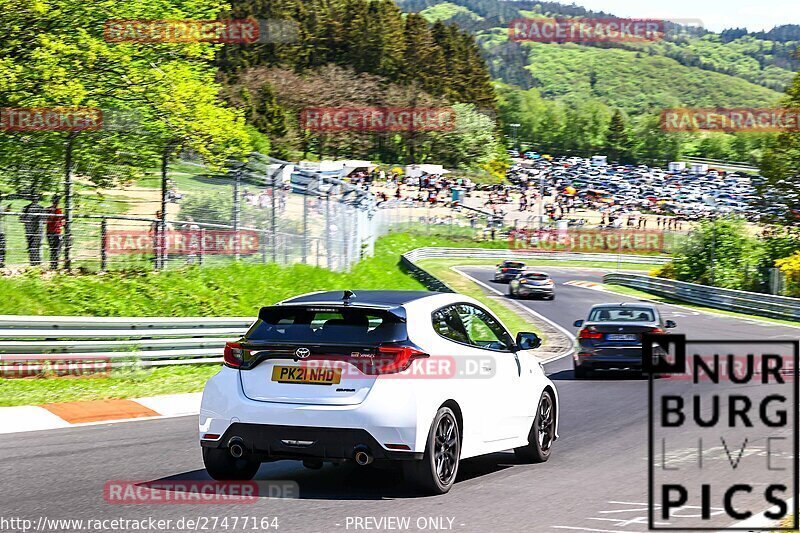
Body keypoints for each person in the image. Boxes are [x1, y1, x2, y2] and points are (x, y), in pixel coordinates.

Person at [20, 196, 46, 266]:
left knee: (31, 247)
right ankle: (36, 263)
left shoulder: (26, 208)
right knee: (37, 247)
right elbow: (44, 221)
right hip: (37, 231)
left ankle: (33, 262)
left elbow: (21, 219)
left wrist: (28, 220)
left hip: (30, 230)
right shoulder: (41, 208)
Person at [45, 196, 64, 270]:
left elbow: (62, 221)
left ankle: (54, 264)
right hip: (54, 232)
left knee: (54, 249)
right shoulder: (54, 210)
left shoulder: (57, 210)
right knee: (55, 249)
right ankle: (54, 264)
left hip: (52, 232)